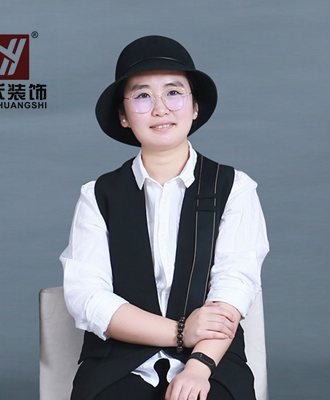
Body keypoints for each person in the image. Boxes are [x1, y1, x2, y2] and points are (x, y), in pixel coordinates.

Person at [60, 35, 269, 400]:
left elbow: (233, 285)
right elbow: (88, 297)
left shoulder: (234, 187)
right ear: (123, 116)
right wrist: (179, 332)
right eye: (142, 96)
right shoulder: (98, 194)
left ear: (194, 107)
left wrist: (199, 365)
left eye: (174, 93)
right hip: (117, 362)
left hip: (210, 358)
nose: (160, 109)